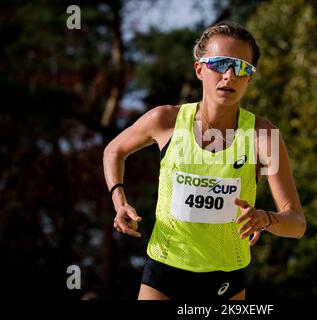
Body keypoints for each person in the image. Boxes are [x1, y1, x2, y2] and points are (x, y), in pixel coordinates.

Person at [103, 20, 306, 301]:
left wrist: (264, 219)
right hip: (164, 269)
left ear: (250, 78)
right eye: (221, 63)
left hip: (225, 277)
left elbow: (296, 223)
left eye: (242, 68)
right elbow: (114, 151)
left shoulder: (263, 135)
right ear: (199, 69)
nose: (230, 75)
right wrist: (119, 200)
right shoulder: (166, 121)